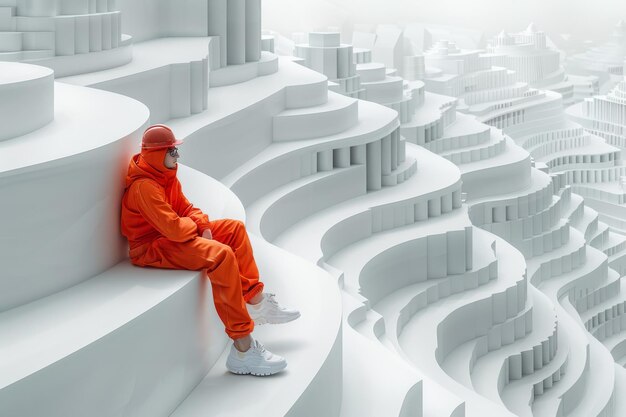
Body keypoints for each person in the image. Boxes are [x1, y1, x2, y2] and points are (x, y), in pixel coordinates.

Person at [121, 124, 300, 376]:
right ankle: (243, 349)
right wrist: (197, 227)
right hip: (151, 247)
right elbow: (173, 229)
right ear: (156, 154)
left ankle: (255, 301)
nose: (177, 155)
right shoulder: (144, 187)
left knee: (234, 229)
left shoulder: (165, 174)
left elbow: (186, 208)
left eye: (175, 149)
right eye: (172, 150)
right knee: (221, 255)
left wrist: (202, 224)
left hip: (171, 236)